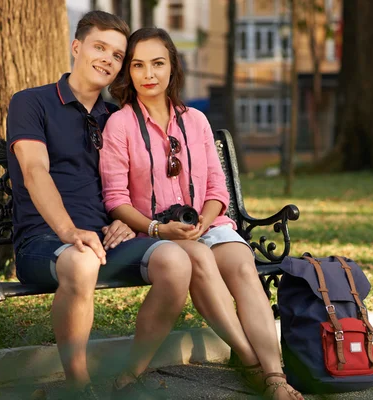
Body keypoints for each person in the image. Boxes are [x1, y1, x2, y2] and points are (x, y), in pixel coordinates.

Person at [99, 27, 304, 400]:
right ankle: (253, 365)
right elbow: (116, 199)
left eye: (158, 64)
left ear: (173, 67)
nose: (149, 74)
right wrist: (160, 229)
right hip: (156, 234)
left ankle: (274, 372)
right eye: (138, 65)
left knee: (242, 263)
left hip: (207, 225)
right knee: (198, 259)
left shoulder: (195, 120)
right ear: (127, 72)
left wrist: (205, 223)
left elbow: (216, 189)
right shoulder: (120, 125)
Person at [6, 12, 192, 399]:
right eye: (99, 47)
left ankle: (129, 376)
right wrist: (69, 232)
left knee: (176, 263)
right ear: (77, 47)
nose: (108, 59)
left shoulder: (115, 117)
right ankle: (79, 387)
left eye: (118, 55)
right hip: (43, 242)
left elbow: (124, 188)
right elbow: (34, 171)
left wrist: (123, 220)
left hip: (107, 240)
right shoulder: (31, 103)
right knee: (82, 259)